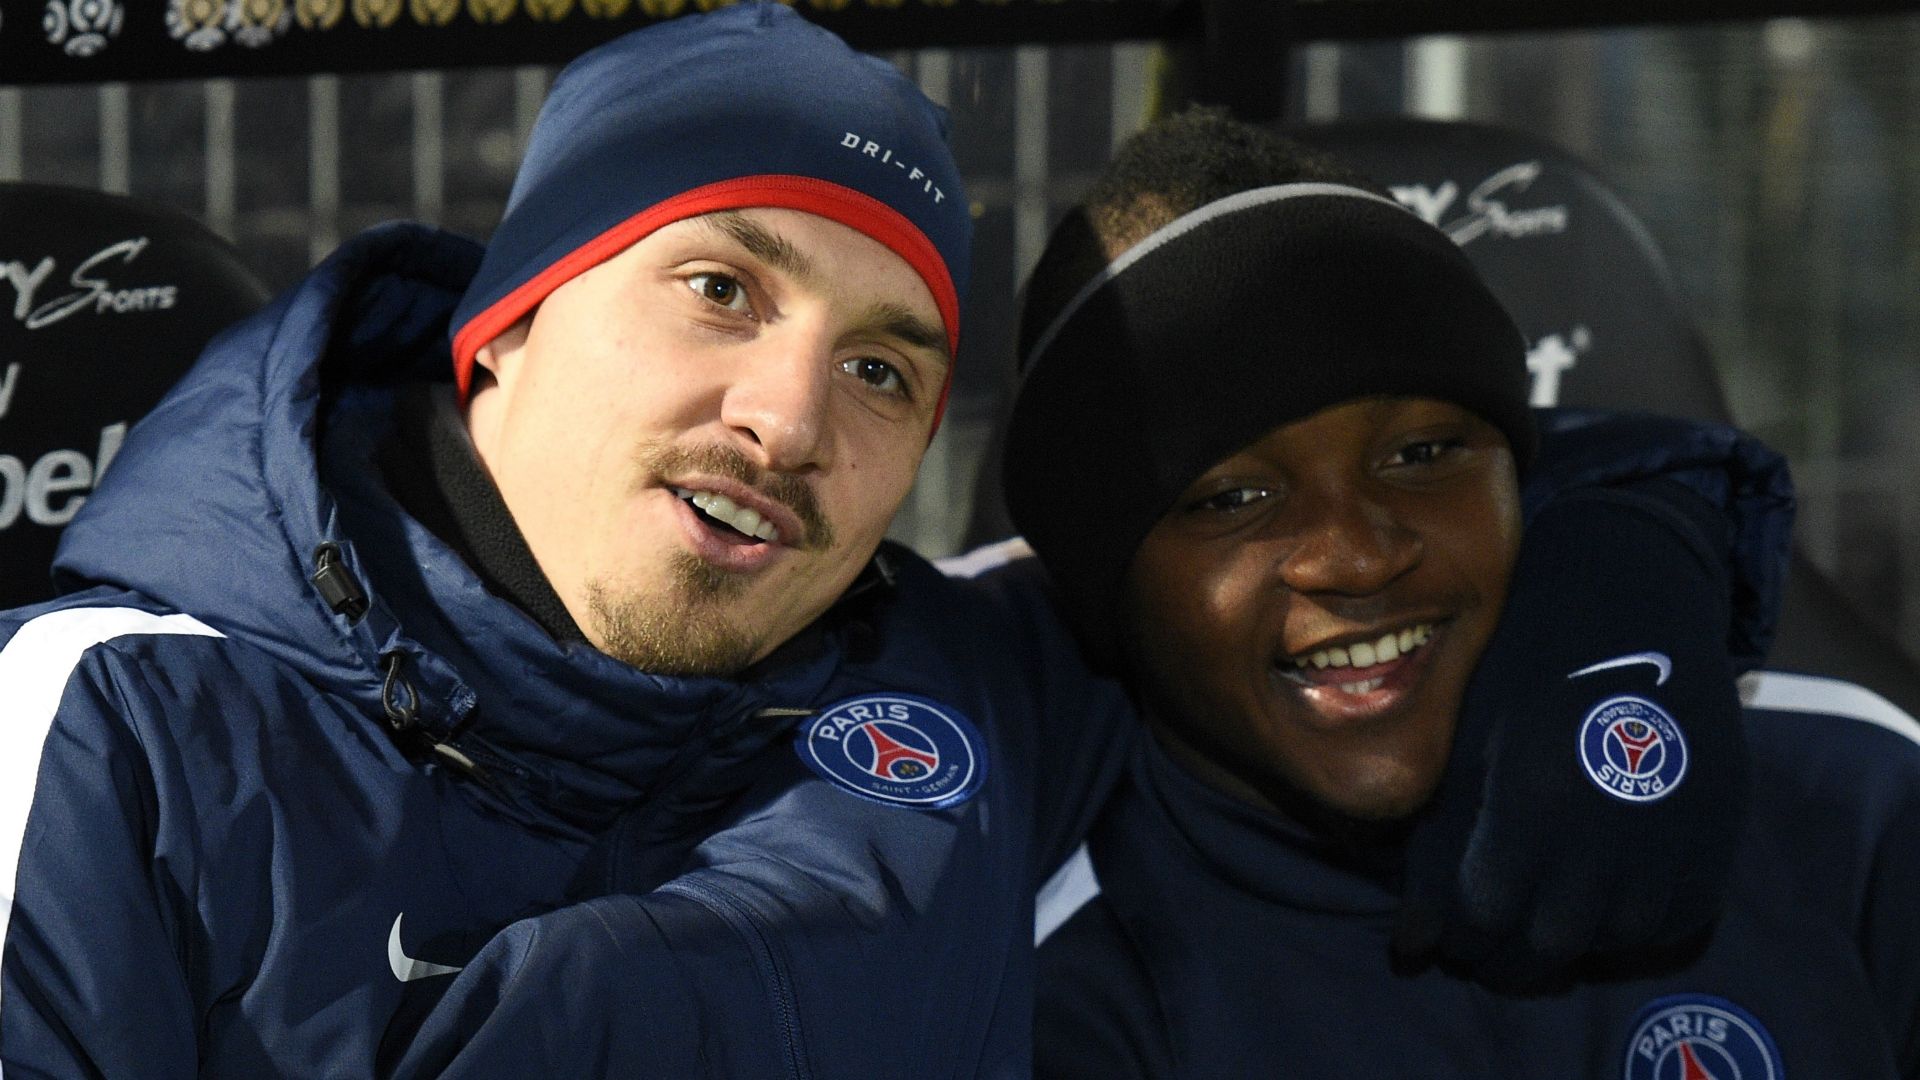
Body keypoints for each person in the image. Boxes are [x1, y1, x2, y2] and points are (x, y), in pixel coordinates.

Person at [0, 11, 1792, 1076]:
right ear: (508, 324)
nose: (788, 422)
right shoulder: (111, 737)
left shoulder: (953, 673)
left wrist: (1616, 559)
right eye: (718, 290)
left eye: (881, 367)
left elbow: (1290, 527)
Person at [1012, 111, 1920, 1077]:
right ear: (1107, 581)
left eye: (1422, 454)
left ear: (1522, 475)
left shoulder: (1845, 801)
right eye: (1233, 497)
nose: (1357, 557)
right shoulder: (1053, 980)